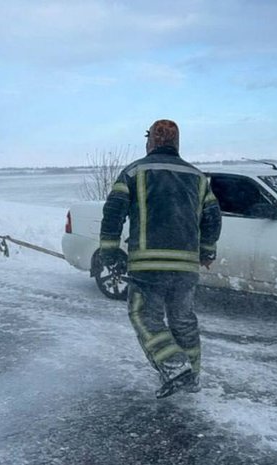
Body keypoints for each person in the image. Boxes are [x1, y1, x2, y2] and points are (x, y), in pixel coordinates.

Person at [99, 119, 221, 398]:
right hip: (186, 266)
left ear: (151, 142)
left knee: (144, 316)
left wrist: (109, 251)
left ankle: (176, 368)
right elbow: (213, 217)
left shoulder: (133, 172)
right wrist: (207, 251)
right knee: (183, 320)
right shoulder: (197, 177)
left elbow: (113, 213)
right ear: (177, 143)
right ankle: (193, 378)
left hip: (147, 265)